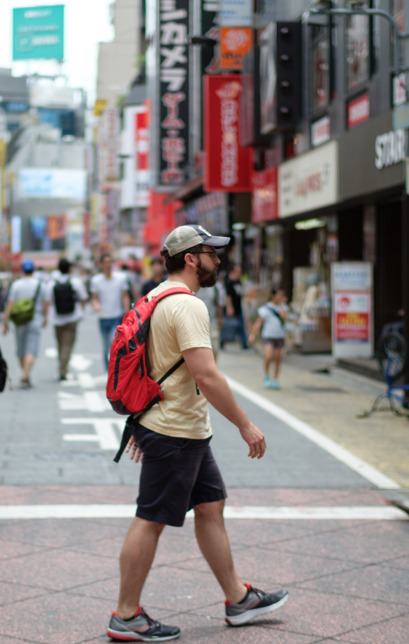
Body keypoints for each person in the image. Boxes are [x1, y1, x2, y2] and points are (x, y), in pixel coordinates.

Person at [107, 225, 288, 642]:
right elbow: (205, 374)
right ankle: (126, 614)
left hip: (176, 427)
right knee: (151, 518)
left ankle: (238, 598)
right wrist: (246, 425)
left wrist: (142, 420)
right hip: (175, 432)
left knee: (210, 505)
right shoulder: (187, 306)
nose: (218, 260)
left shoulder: (155, 295)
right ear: (190, 258)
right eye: (211, 252)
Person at [43, 258, 88, 381]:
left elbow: (47, 302)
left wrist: (45, 317)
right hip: (72, 318)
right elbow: (83, 298)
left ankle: (62, 367)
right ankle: (63, 369)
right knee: (67, 345)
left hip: (56, 319)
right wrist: (82, 310)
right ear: (69, 269)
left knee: (60, 345)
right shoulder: (75, 282)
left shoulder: (52, 284)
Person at [3, 261, 44, 388]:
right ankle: (25, 374)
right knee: (31, 348)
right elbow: (46, 302)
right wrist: (45, 316)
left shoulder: (16, 285)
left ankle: (24, 372)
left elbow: (10, 303)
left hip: (19, 320)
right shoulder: (39, 284)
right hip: (35, 318)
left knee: (21, 349)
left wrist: (5, 322)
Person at [91, 253, 131, 370]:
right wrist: (96, 305)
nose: (108, 264)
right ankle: (107, 372)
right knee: (105, 347)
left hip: (116, 317)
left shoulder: (120, 278)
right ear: (101, 264)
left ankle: (116, 370)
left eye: (110, 262)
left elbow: (125, 296)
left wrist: (126, 311)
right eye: (106, 262)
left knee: (116, 346)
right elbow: (94, 298)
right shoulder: (96, 280)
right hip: (103, 318)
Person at [248, 288, 289, 390]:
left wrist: (281, 306)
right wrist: (253, 335)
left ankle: (275, 379)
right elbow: (258, 323)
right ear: (273, 296)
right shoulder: (265, 308)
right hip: (268, 335)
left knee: (277, 358)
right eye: (278, 295)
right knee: (268, 356)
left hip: (279, 335)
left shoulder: (283, 307)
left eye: (281, 295)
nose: (280, 297)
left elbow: (284, 318)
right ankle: (266, 375)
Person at [194, 277, 224, 360]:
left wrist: (220, 320)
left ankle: (212, 368)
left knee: (214, 349)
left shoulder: (215, 288)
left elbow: (219, 305)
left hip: (212, 323)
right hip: (197, 324)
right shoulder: (194, 287)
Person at [221, 264, 249, 351]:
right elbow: (227, 296)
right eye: (237, 271)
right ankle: (222, 342)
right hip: (231, 307)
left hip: (238, 307)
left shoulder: (239, 281)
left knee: (241, 326)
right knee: (227, 326)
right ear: (233, 271)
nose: (239, 273)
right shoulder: (229, 282)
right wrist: (229, 307)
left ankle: (244, 344)